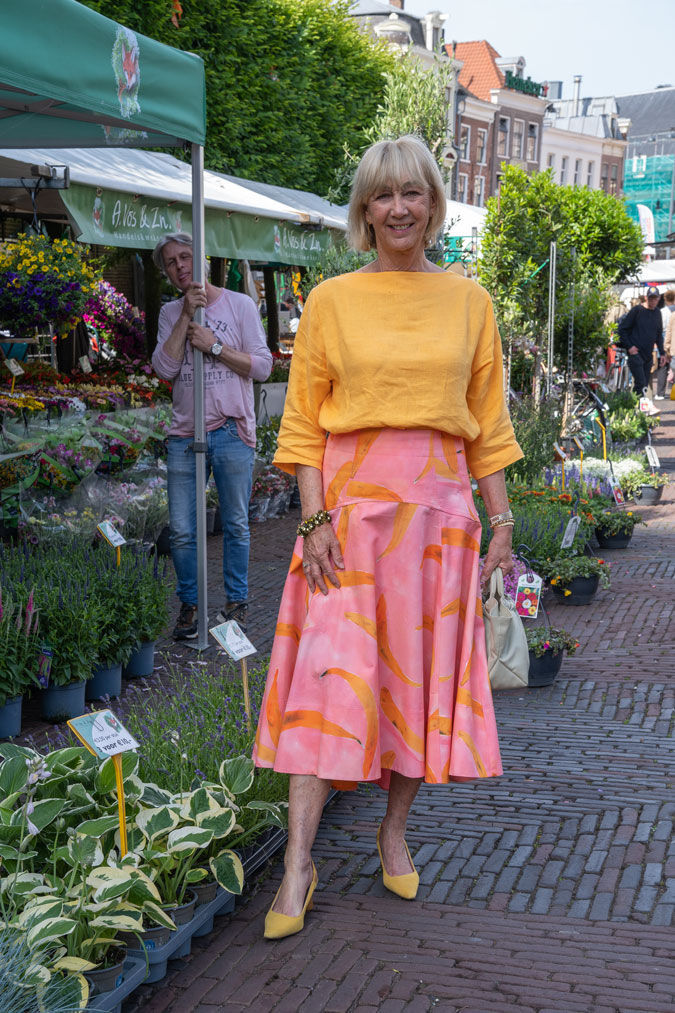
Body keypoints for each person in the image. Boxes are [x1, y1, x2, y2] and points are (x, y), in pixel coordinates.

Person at [252, 135, 523, 940]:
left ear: (433, 205)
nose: (399, 207)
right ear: (363, 212)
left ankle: (392, 830)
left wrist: (500, 519)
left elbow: (490, 428)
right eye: (382, 195)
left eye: (412, 193)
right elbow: (301, 425)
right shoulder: (331, 300)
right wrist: (313, 519)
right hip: (347, 517)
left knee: (414, 685)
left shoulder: (470, 302)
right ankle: (298, 861)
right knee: (323, 686)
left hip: (439, 518)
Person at [151, 233, 272, 639]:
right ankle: (191, 605)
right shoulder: (170, 312)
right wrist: (187, 316)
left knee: (236, 523)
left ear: (201, 258)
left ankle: (236, 601)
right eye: (171, 262)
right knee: (183, 530)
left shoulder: (239, 305)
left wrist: (215, 346)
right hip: (185, 436)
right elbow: (164, 369)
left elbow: (263, 367)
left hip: (230, 431)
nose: (180, 266)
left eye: (186, 257)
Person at [617, 286, 666, 403]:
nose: (653, 301)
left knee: (643, 384)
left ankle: (636, 408)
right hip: (635, 353)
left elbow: (659, 334)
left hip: (648, 354)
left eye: (655, 299)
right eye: (651, 299)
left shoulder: (657, 312)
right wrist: (629, 347)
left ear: (659, 298)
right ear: (646, 298)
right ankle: (634, 407)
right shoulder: (637, 311)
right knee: (640, 382)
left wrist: (662, 353)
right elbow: (622, 329)